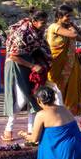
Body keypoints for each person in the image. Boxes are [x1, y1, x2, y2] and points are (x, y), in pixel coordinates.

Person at [3, 9, 49, 142]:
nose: (45, 25)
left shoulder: (38, 32)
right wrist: (33, 66)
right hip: (16, 64)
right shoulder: (22, 32)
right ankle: (8, 129)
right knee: (23, 99)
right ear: (34, 22)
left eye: (46, 22)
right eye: (42, 23)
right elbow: (13, 55)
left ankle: (31, 131)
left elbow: (40, 48)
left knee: (33, 98)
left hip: (28, 63)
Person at [46, 5, 81, 113]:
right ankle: (53, 109)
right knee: (55, 86)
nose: (70, 19)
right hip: (56, 62)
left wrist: (76, 27)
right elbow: (73, 35)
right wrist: (73, 28)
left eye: (71, 16)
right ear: (60, 16)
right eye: (68, 16)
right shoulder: (54, 27)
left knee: (71, 86)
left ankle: (68, 109)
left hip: (70, 62)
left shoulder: (68, 29)